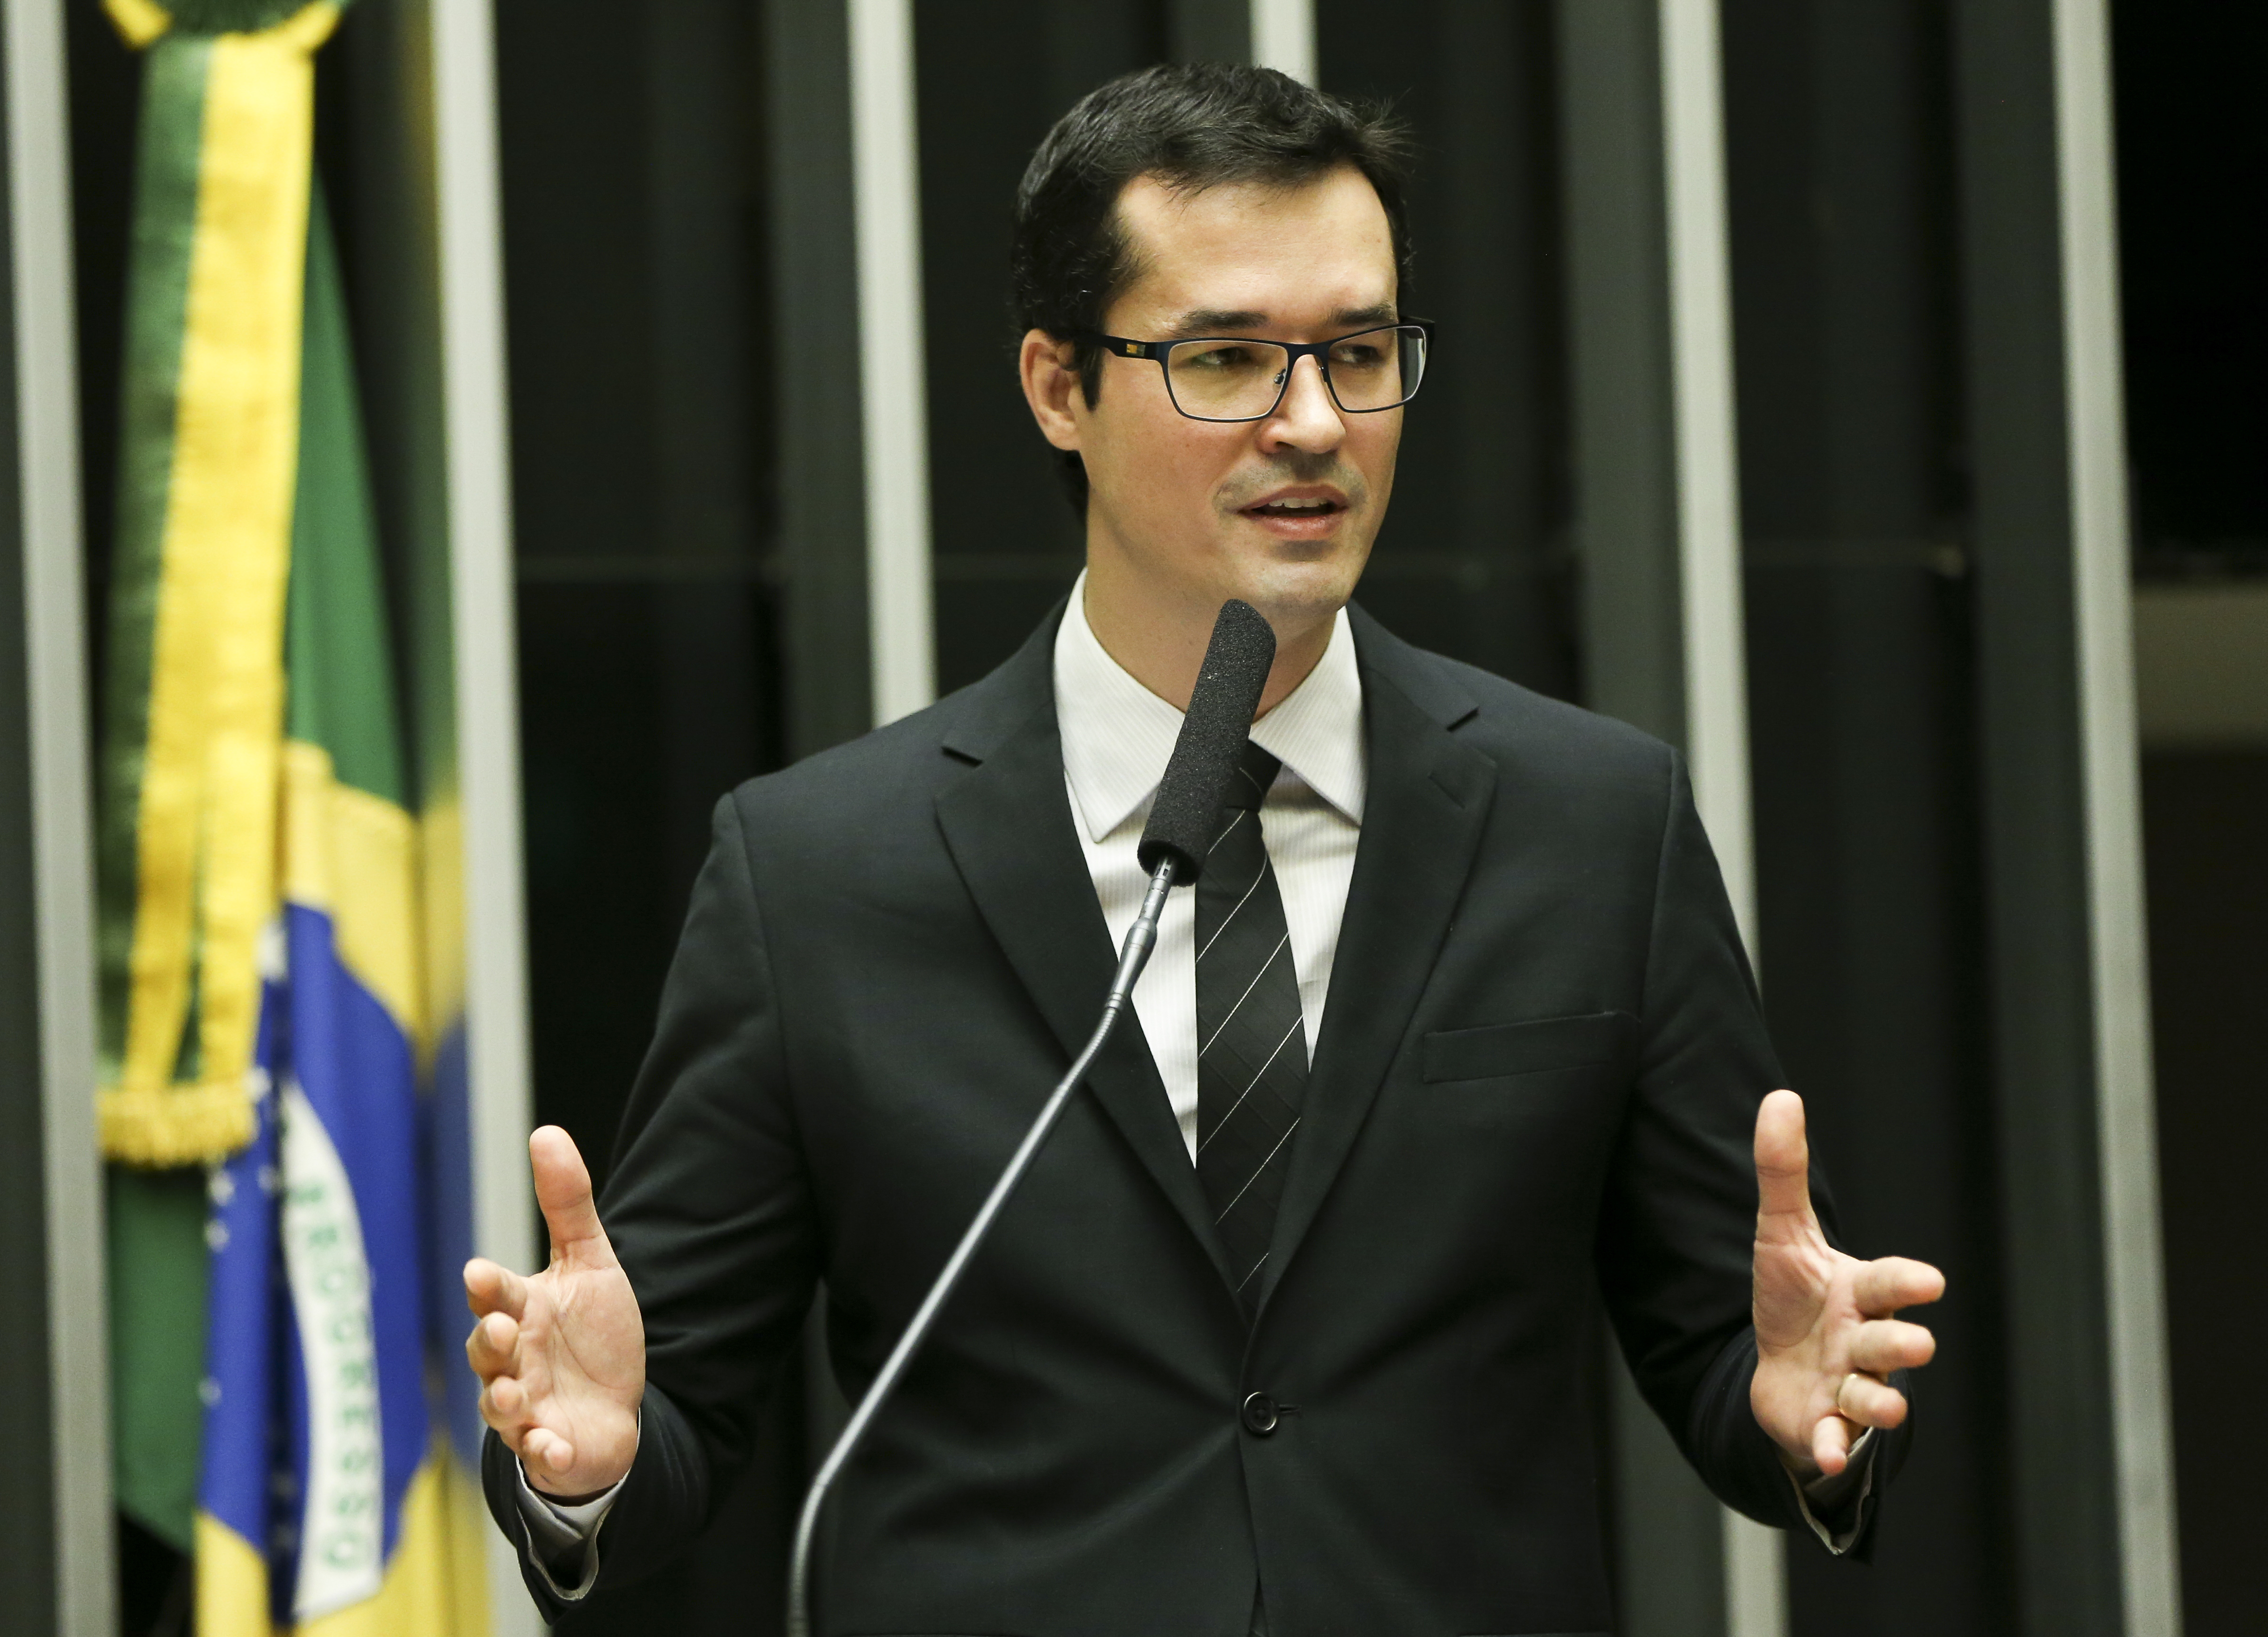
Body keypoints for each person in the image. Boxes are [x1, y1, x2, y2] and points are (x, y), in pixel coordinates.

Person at [463, 63, 1944, 1637]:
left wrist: (1804, 1405)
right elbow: (667, 1416)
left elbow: (1735, 1351)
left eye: (1359, 354)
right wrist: (590, 1463)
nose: (1312, 425)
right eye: (1227, 359)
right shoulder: (819, 872)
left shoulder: (1588, 822)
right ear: (1057, 386)